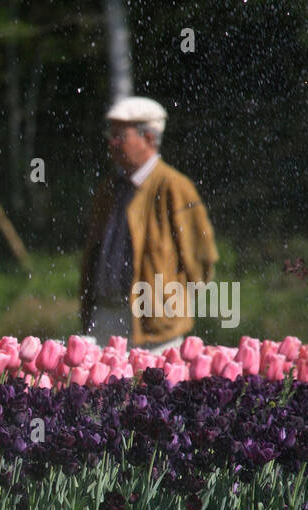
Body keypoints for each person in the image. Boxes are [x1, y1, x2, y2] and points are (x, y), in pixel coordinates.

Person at [78, 97, 218, 354]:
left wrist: (169, 306)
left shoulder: (174, 186)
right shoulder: (109, 188)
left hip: (155, 326)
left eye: (120, 135)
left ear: (149, 139)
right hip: (106, 314)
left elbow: (201, 258)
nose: (112, 142)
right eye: (111, 134)